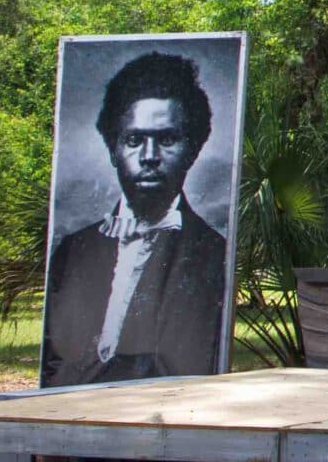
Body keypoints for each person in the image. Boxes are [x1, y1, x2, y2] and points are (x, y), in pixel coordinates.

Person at [41, 51, 232, 385]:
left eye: (167, 139)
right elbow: (56, 361)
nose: (148, 157)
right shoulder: (74, 250)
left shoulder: (215, 254)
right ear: (113, 148)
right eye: (133, 140)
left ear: (194, 148)